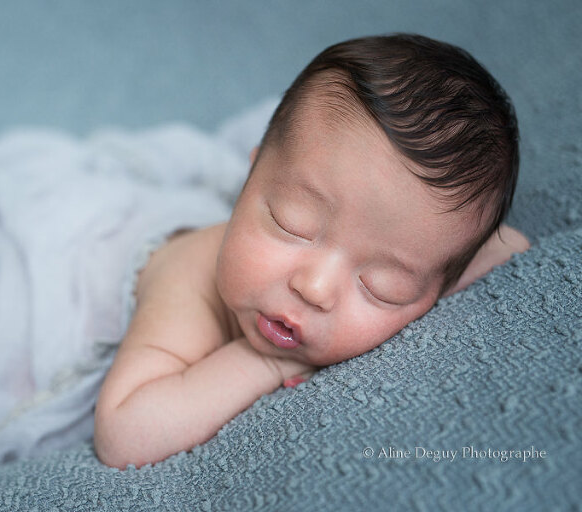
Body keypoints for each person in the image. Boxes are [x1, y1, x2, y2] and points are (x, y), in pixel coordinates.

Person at [93, 33, 531, 469]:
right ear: (248, 181)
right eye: (291, 223)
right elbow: (124, 437)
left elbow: (509, 244)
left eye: (382, 287)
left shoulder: (419, 256)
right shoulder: (187, 281)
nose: (315, 289)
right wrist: (266, 364)